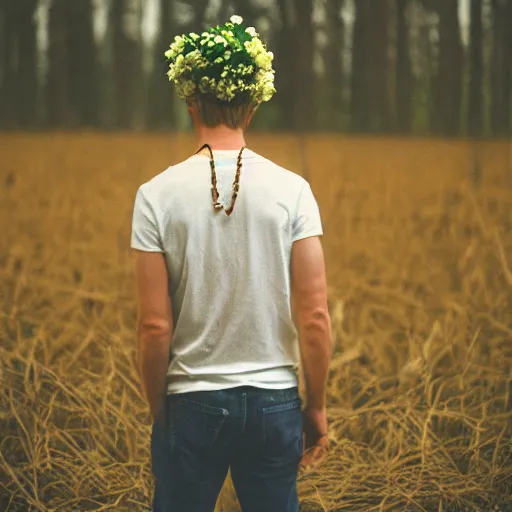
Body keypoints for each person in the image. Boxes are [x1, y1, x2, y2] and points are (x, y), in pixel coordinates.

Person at [131, 15, 332, 512]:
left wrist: (161, 410)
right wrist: (318, 405)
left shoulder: (155, 196)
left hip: (191, 402)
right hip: (275, 402)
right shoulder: (294, 192)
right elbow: (315, 318)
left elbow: (155, 327)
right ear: (255, 102)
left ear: (190, 99)